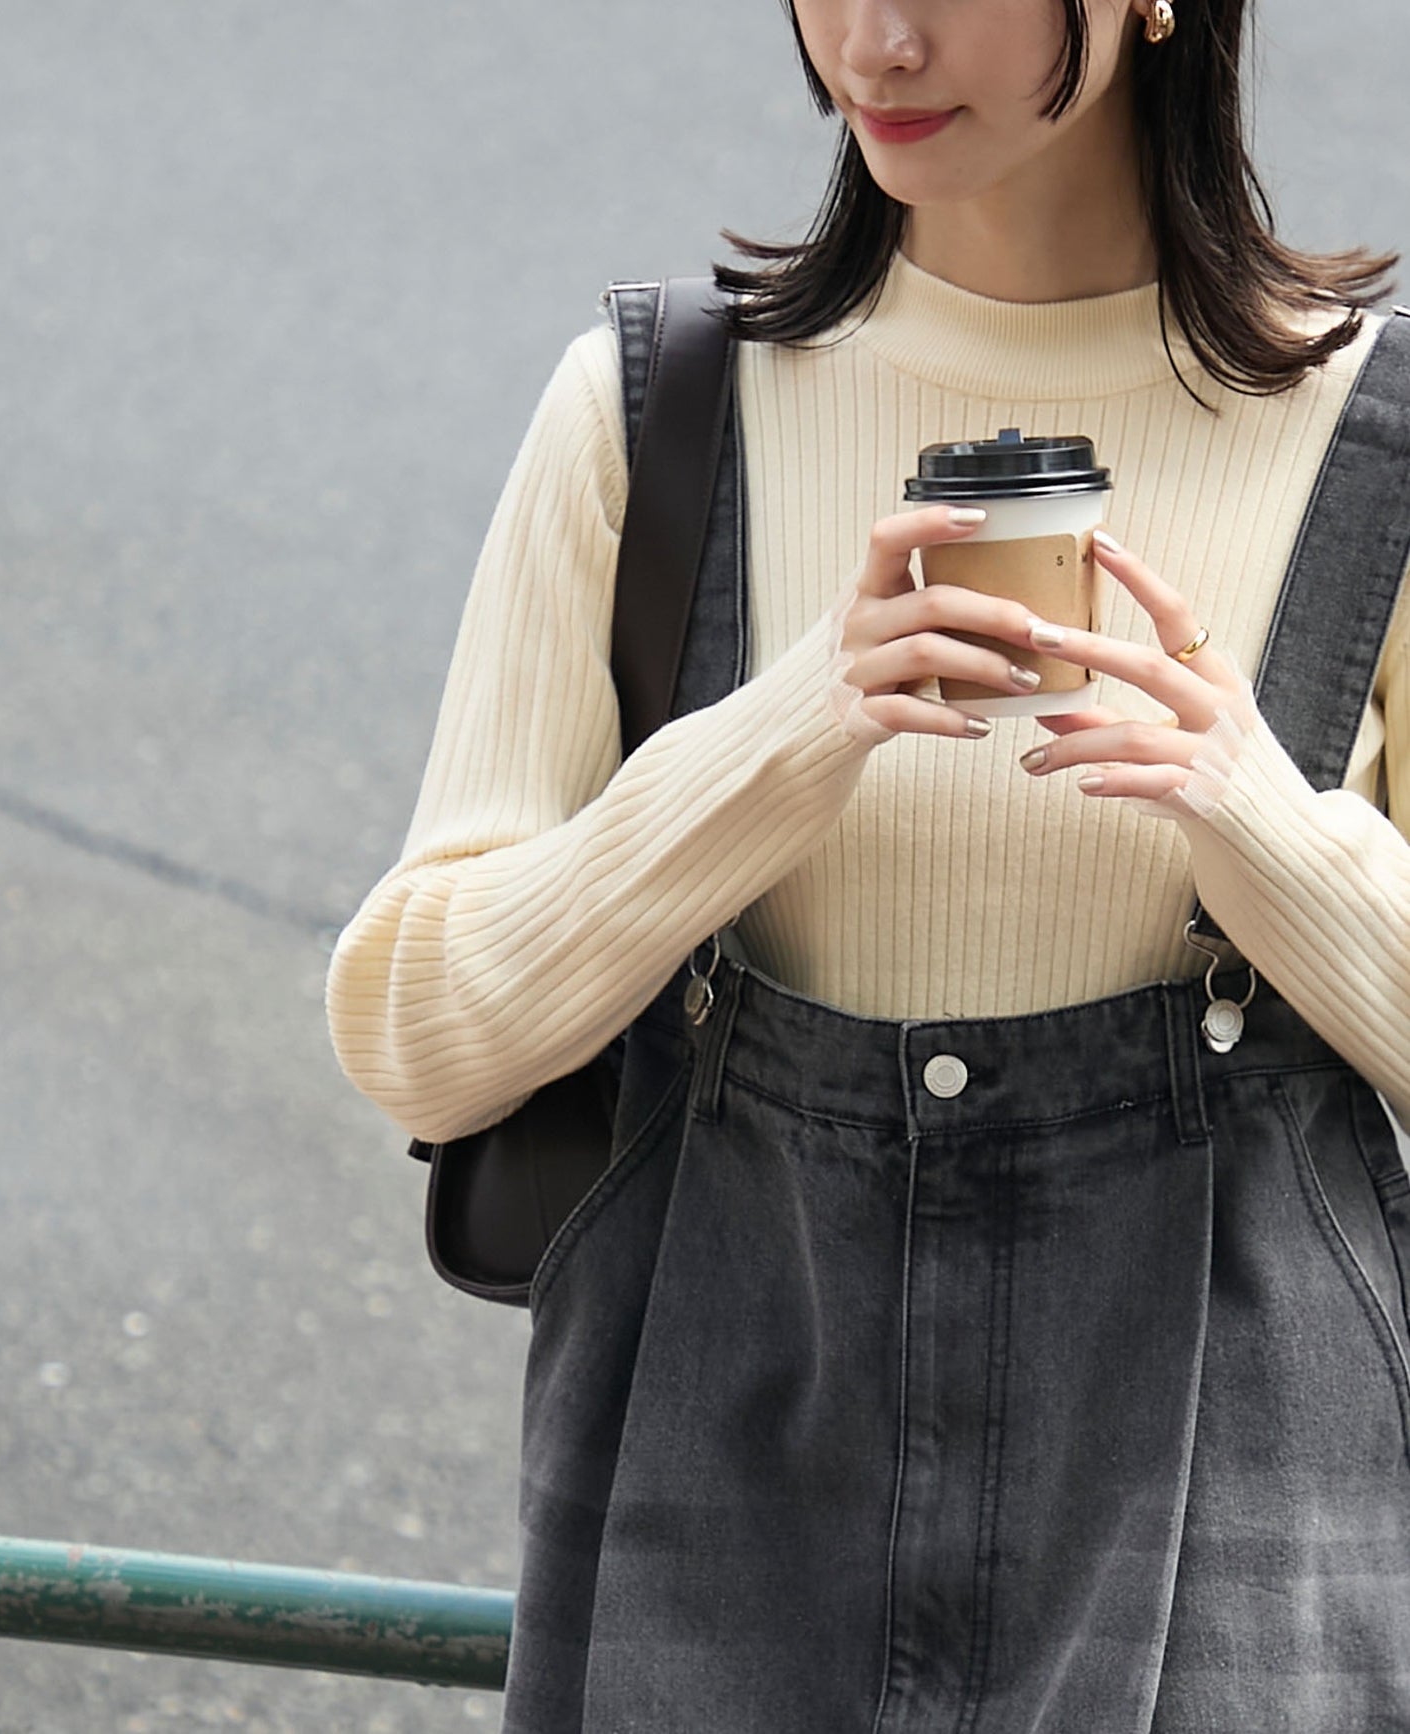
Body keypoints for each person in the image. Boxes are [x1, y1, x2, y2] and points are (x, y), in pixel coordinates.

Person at [328, 0, 1410, 1727]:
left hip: (1229, 1501)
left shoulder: (1374, 441)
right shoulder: (656, 412)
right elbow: (416, 1034)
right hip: (723, 1478)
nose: (875, 44)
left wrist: (1261, 825)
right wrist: (782, 737)